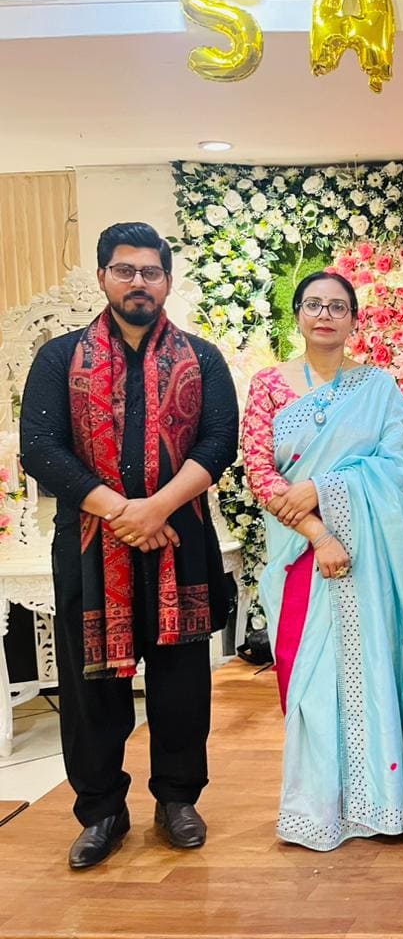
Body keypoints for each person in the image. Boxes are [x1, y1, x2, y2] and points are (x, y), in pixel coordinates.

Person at [19, 222, 238, 869]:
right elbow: (41, 450)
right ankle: (101, 812)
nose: (138, 282)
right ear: (103, 277)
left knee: (181, 683)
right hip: (92, 544)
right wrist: (124, 512)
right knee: (92, 688)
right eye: (125, 270)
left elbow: (218, 442)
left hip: (179, 542)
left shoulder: (202, 358)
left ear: (167, 281)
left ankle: (178, 800)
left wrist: (158, 508)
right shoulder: (60, 358)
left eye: (150, 271)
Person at [241, 270, 403, 851]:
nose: (325, 315)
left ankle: (377, 804)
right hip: (300, 556)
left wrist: (323, 486)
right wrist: (319, 534)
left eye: (337, 306)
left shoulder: (378, 387)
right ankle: (316, 809)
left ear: (353, 320)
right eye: (314, 304)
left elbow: (398, 466)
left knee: (371, 672)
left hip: (368, 556)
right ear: (297, 314)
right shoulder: (269, 386)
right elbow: (260, 472)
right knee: (310, 679)